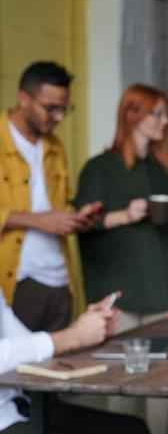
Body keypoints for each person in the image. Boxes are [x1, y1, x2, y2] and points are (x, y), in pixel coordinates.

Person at [74, 84, 168, 434]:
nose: (165, 121)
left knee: (164, 397)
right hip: (120, 298)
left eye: (167, 114)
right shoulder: (99, 168)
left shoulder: (160, 169)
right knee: (121, 396)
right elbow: (81, 224)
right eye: (157, 113)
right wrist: (123, 215)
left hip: (163, 296)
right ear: (131, 114)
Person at [0, 61, 101, 332]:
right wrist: (37, 220)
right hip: (15, 282)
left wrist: (77, 217)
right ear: (23, 98)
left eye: (64, 109)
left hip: (60, 282)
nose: (58, 117)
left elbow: (58, 205)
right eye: (50, 108)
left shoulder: (55, 146)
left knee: (59, 370)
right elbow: (43, 216)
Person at [0, 292, 150, 434]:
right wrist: (73, 336)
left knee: (133, 432)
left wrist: (87, 329)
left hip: (22, 404)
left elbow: (25, 342)